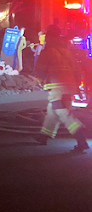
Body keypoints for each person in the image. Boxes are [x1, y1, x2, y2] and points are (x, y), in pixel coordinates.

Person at [34, 25, 89, 153]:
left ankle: (81, 140)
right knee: (52, 112)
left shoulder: (47, 52)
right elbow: (77, 70)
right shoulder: (67, 52)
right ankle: (44, 136)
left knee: (63, 114)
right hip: (69, 88)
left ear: (48, 37)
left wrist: (40, 81)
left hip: (56, 88)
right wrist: (78, 88)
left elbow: (40, 70)